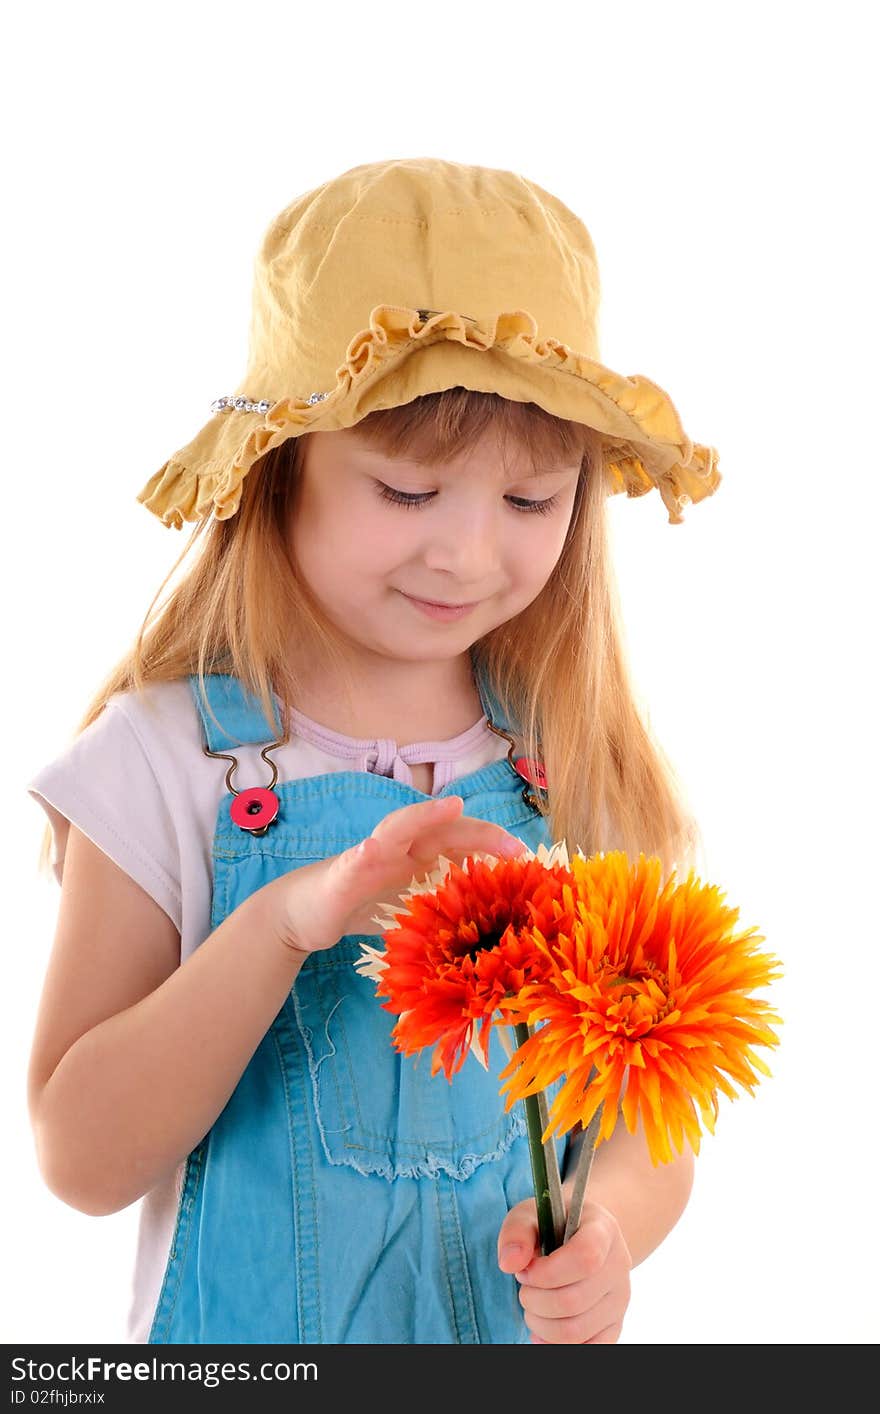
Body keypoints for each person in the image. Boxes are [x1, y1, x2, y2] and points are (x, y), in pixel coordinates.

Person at [25, 156, 721, 1346]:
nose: (463, 554)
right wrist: (281, 924)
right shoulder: (164, 761)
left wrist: (605, 1231)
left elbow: (642, 1119)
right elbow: (81, 1160)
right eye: (406, 491)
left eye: (529, 502)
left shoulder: (565, 762)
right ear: (278, 466)